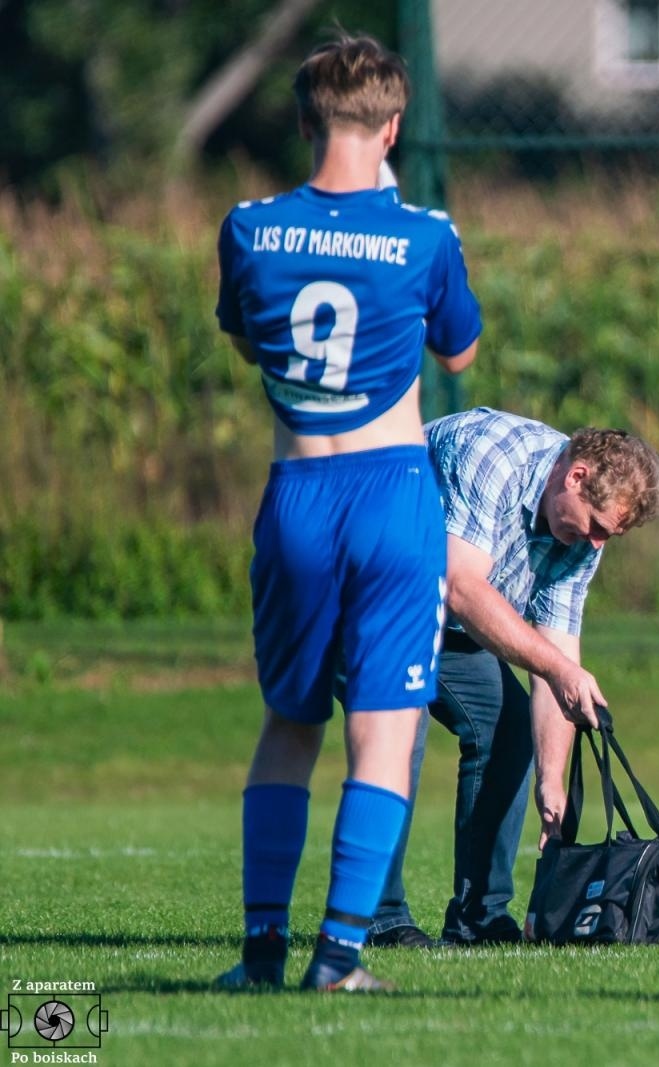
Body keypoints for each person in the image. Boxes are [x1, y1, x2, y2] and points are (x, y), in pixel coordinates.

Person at [213, 34, 481, 991]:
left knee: (290, 721)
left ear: (301, 121)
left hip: (297, 495)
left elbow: (249, 343)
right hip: (392, 495)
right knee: (386, 730)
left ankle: (257, 955)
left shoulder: (248, 228)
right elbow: (457, 354)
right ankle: (339, 958)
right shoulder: (424, 235)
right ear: (394, 126)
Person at [368, 409, 659, 948]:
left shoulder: (581, 536)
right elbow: (460, 586)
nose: (596, 545)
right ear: (575, 477)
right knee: (398, 728)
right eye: (597, 526)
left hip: (441, 621)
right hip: (365, 589)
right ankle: (380, 916)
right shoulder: (494, 455)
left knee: (508, 732)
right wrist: (558, 670)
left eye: (610, 536)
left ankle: (480, 920)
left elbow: (557, 651)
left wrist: (552, 784)